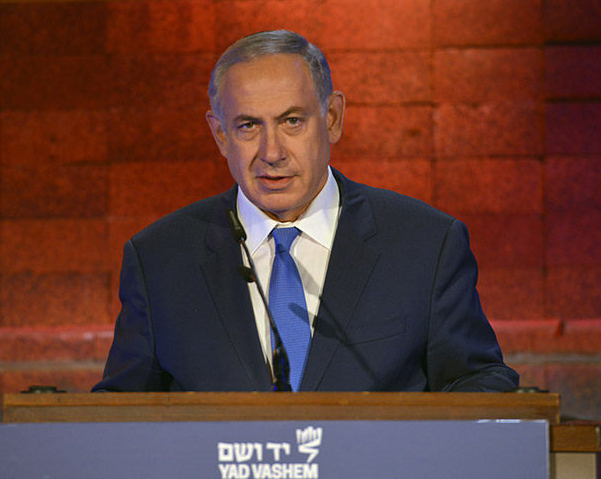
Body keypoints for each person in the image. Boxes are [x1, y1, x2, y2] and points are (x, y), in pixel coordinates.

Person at [93, 29, 518, 393]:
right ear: (220, 134)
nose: (271, 152)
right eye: (248, 126)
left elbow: (477, 384)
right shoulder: (160, 259)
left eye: (292, 121)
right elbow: (120, 416)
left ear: (332, 118)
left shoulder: (425, 244)